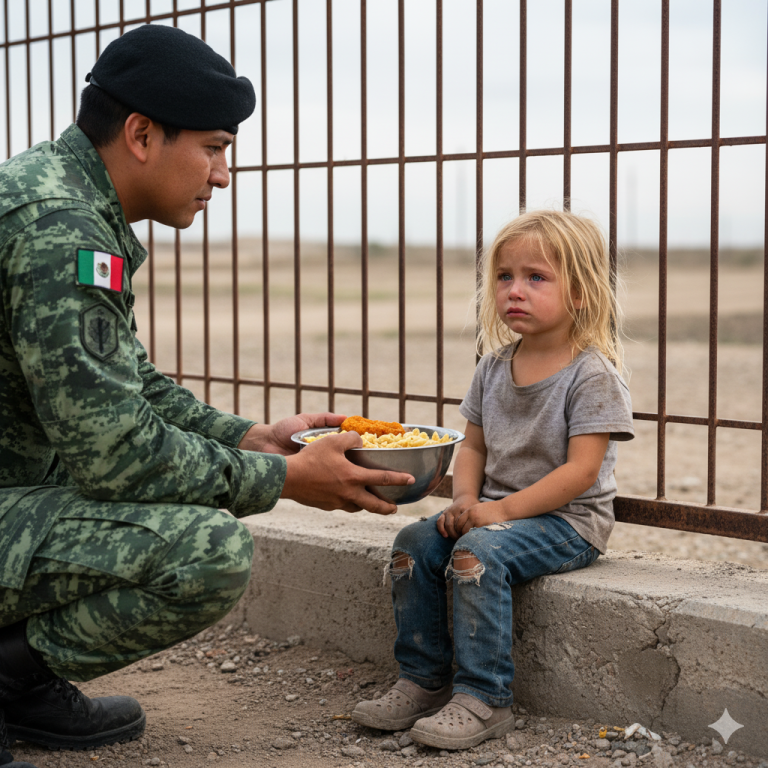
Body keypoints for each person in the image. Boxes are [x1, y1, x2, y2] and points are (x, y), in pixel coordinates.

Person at [0, 24, 414, 768]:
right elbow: (115, 450)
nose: (223, 175)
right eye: (216, 147)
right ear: (140, 134)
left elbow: (131, 385)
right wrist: (285, 478)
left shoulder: (63, 197)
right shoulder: (59, 229)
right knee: (205, 550)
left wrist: (248, 438)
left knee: (167, 494)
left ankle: (15, 684)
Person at [351, 210, 634, 750]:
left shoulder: (592, 373)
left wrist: (496, 513)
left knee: (477, 552)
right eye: (504, 276)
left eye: (536, 277)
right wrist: (463, 498)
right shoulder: (494, 365)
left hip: (566, 522)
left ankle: (485, 697)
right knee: (414, 542)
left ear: (580, 292)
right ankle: (423, 679)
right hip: (495, 512)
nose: (515, 291)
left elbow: (581, 472)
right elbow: (474, 445)